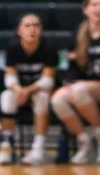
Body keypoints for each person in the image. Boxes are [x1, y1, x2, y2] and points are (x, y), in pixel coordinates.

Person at [51, 0, 100, 164]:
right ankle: (85, 142)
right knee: (57, 99)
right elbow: (66, 64)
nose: (99, 8)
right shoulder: (77, 34)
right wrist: (69, 80)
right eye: (94, 5)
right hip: (81, 85)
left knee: (79, 90)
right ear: (85, 9)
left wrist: (86, 82)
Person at [0, 13, 58, 165]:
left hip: (40, 90)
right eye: (27, 26)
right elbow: (10, 77)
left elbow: (47, 80)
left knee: (42, 98)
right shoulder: (13, 48)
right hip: (20, 91)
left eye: (36, 25)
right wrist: (19, 89)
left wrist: (27, 91)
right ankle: (6, 145)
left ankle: (38, 148)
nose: (32, 29)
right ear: (20, 30)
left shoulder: (49, 47)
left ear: (41, 30)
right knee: (6, 97)